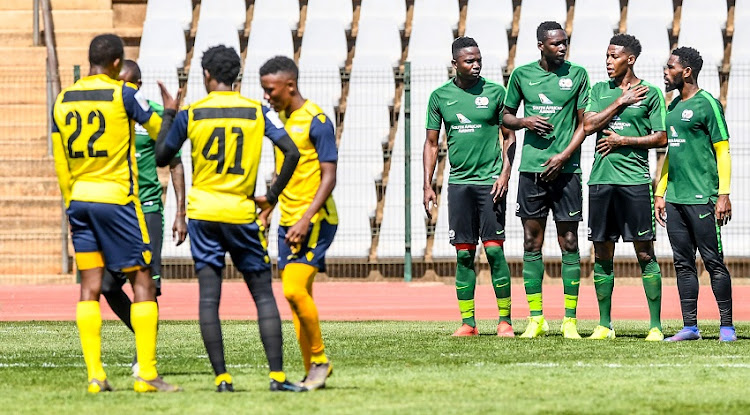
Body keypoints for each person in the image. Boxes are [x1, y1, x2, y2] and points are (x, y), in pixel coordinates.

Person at [154, 45, 305, 391]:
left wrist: (169, 113)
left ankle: (222, 379)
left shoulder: (192, 113)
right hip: (240, 212)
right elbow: (292, 152)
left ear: (206, 75)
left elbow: (163, 156)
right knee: (263, 295)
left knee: (209, 298)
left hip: (204, 213)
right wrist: (272, 195)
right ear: (236, 76)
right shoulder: (256, 111)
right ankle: (278, 378)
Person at [51, 33, 179, 393]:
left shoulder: (62, 98)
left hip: (79, 201)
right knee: (142, 281)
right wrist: (169, 112)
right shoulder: (121, 94)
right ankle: (147, 375)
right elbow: (161, 137)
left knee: (90, 287)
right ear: (117, 64)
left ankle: (96, 377)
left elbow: (61, 160)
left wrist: (69, 200)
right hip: (117, 199)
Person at [423, 37, 516, 337]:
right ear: (455, 64)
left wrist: (505, 173)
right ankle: (468, 323)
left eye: (478, 60)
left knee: (494, 252)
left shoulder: (495, 92)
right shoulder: (439, 97)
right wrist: (428, 185)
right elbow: (431, 144)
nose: (475, 65)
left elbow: (509, 137)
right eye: (469, 61)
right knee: (464, 254)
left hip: (490, 183)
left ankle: (505, 321)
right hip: (459, 185)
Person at [100, 60, 188, 375]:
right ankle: (143, 334)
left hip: (147, 210)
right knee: (108, 285)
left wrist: (181, 211)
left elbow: (175, 162)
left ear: (136, 84)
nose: (119, 88)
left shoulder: (149, 114)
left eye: (124, 83)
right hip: (117, 210)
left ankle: (144, 356)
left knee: (147, 285)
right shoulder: (109, 113)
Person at [502, 21, 590, 339]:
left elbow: (586, 124)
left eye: (565, 42)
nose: (562, 47)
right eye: (556, 43)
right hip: (531, 171)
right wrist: (525, 121)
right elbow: (505, 115)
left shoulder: (578, 74)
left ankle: (569, 320)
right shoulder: (521, 75)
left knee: (569, 243)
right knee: (531, 243)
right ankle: (536, 318)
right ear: (541, 45)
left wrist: (564, 156)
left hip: (567, 172)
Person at [258, 56, 338, 389]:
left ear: (290, 85)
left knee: (292, 289)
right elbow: (284, 173)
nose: (267, 97)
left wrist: (306, 218)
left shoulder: (317, 121)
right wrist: (269, 208)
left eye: (270, 89)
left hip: (315, 220)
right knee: (296, 297)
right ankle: (312, 371)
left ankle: (319, 359)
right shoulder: (281, 122)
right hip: (287, 220)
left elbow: (328, 177)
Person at [582, 34, 666, 341]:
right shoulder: (599, 90)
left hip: (635, 182)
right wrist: (621, 101)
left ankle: (655, 326)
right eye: (606, 56)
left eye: (613, 56)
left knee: (645, 253)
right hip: (601, 181)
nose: (607, 61)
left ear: (629, 59)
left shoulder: (651, 93)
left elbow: (662, 138)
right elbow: (589, 126)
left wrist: (624, 141)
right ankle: (605, 325)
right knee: (602, 252)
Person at [655, 46, 736, 342]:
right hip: (675, 201)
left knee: (713, 261)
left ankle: (727, 327)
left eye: (670, 67)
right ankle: (690, 327)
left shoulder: (708, 104)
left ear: (686, 71)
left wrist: (723, 194)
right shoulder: (672, 107)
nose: (666, 72)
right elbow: (670, 154)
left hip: (704, 198)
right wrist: (660, 192)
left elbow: (723, 150)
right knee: (682, 263)